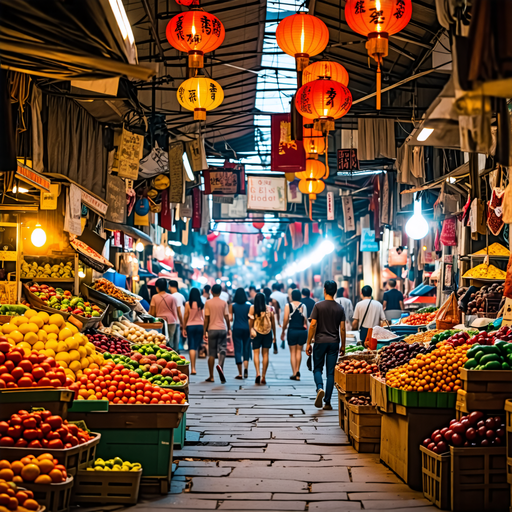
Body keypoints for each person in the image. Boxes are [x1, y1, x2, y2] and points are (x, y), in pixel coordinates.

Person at [306, 280, 346, 410]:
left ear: (324, 290)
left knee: (317, 368)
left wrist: (308, 343)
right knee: (331, 372)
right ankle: (327, 402)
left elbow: (312, 325)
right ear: (335, 291)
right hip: (334, 343)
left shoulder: (318, 306)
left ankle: (319, 388)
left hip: (320, 342)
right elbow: (343, 329)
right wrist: (343, 345)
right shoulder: (340, 308)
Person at [204, 284, 230, 383]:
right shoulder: (224, 303)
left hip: (211, 329)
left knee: (211, 353)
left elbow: (206, 318)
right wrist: (229, 328)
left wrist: (204, 331)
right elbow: (227, 316)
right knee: (222, 350)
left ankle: (211, 376)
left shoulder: (208, 303)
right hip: (222, 329)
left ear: (211, 291)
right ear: (220, 292)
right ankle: (221, 367)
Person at [249, 292, 276, 385]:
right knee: (265, 354)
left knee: (256, 354)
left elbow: (250, 322)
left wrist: (250, 331)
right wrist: (275, 336)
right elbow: (273, 323)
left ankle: (258, 373)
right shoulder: (270, 308)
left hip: (256, 332)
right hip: (267, 333)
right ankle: (264, 376)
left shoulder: (253, 308)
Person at [149, 278, 183, 352]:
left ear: (157, 287)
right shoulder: (173, 297)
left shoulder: (154, 297)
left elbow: (152, 313)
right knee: (170, 341)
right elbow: (175, 312)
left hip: (159, 322)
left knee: (159, 340)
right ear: (166, 287)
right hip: (171, 321)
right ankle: (170, 355)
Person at [281, 289, 308, 380]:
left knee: (292, 352)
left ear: (292, 296)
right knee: (298, 352)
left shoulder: (288, 306)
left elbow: (285, 320)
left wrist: (283, 330)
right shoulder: (303, 306)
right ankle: (298, 371)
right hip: (301, 331)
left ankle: (294, 372)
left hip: (292, 330)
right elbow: (305, 321)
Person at [230, 287, 252, 379]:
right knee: (246, 348)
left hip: (236, 328)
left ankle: (240, 373)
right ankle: (246, 369)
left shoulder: (233, 306)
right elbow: (251, 318)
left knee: (238, 349)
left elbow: (231, 318)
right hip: (247, 328)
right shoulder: (249, 305)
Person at [183, 287, 204, 375]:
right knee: (197, 345)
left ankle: (193, 368)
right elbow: (204, 317)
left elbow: (186, 316)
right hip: (200, 326)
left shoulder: (188, 304)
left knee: (192, 346)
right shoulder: (201, 304)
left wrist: (184, 328)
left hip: (190, 326)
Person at [169, 280, 186, 350]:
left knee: (171, 339)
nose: (169, 288)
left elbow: (179, 310)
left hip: (173, 321)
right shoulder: (181, 296)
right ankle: (176, 352)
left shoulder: (171, 297)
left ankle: (173, 352)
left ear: (171, 286)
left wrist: (182, 322)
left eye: (169, 286)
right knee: (177, 340)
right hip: (178, 321)